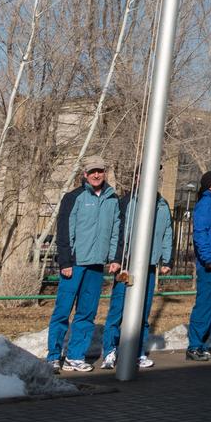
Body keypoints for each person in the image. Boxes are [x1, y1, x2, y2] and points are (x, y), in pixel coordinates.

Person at [46, 156, 121, 372]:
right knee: (62, 311)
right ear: (85, 174)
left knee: (87, 313)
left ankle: (75, 356)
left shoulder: (112, 199)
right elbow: (64, 232)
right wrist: (65, 262)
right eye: (92, 171)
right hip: (74, 264)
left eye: (100, 171)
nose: (97, 175)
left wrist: (114, 258)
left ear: (104, 173)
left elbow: (116, 231)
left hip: (96, 265)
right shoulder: (73, 197)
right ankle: (53, 356)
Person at [100, 169, 173, 369]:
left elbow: (167, 232)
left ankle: (138, 351)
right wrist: (116, 258)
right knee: (118, 311)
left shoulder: (162, 205)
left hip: (149, 266)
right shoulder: (126, 202)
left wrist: (167, 260)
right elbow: (117, 232)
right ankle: (110, 351)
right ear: (137, 178)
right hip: (127, 265)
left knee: (143, 312)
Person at [186, 170, 211, 361]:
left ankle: (202, 343)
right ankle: (194, 345)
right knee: (205, 305)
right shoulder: (206, 204)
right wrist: (208, 258)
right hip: (210, 263)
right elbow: (200, 233)